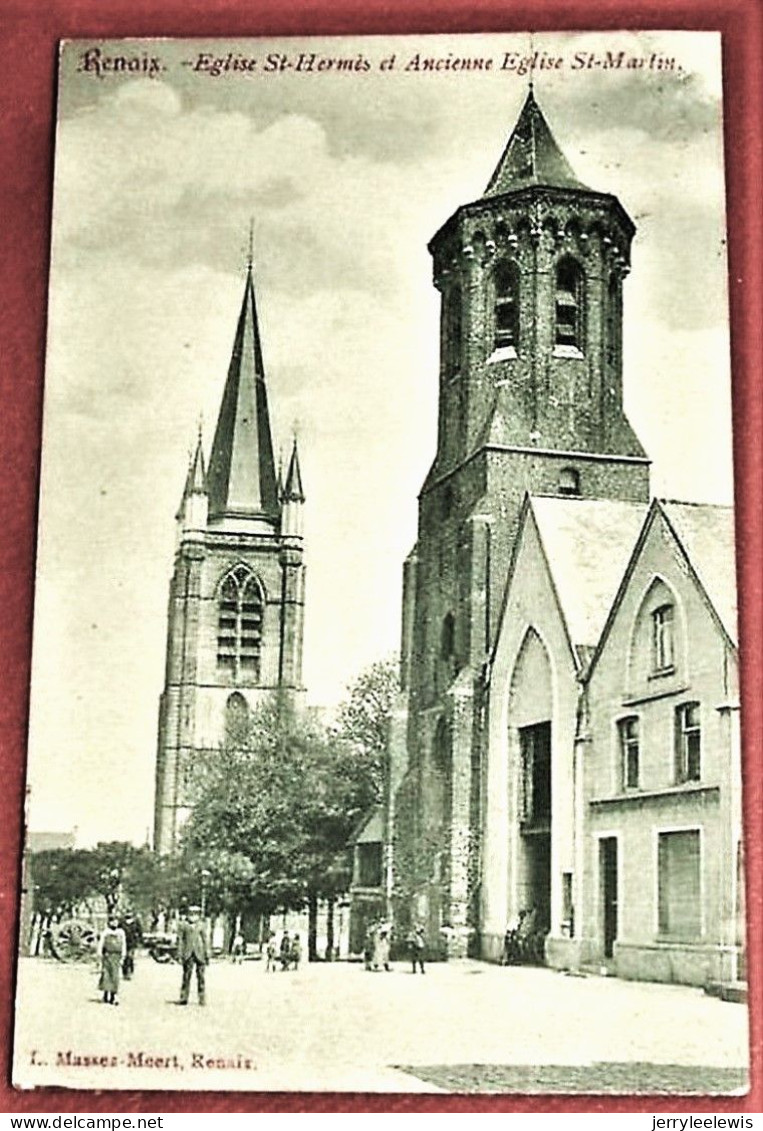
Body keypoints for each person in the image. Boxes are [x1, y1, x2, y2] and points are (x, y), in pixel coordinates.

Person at [177, 905, 209, 1005]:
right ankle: (184, 997)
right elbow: (180, 940)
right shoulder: (183, 925)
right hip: (188, 952)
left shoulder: (202, 925)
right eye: (191, 914)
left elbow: (205, 940)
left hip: (200, 953)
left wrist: (207, 953)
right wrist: (180, 954)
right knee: (186, 976)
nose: (193, 916)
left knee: (201, 977)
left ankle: (202, 997)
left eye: (195, 914)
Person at [98, 915, 127, 1005]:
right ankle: (106, 994)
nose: (114, 923)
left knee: (115, 976)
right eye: (112, 921)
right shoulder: (105, 932)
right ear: (109, 922)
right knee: (106, 975)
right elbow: (101, 943)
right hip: (107, 955)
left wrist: (123, 955)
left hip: (116, 956)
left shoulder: (121, 932)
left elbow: (123, 944)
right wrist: (99, 954)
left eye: (116, 921)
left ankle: (114, 996)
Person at [120, 910, 143, 980]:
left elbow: (140, 932)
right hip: (123, 942)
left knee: (130, 957)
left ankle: (129, 972)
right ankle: (125, 973)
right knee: (124, 957)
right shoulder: (122, 922)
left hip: (132, 942)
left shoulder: (136, 922)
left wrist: (139, 940)